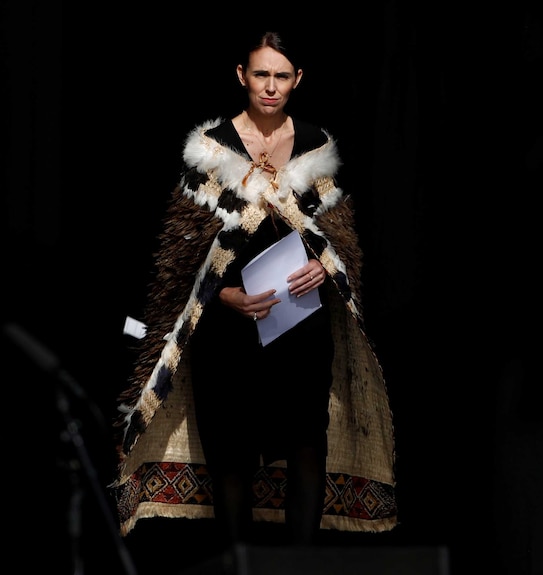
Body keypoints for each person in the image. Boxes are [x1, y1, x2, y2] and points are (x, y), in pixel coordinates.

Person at [110, 30, 397, 551]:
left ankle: (301, 569)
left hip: (300, 326)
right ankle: (239, 567)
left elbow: (344, 242)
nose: (270, 86)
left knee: (307, 445)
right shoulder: (210, 152)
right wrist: (223, 298)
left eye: (281, 76)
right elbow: (180, 260)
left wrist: (323, 265)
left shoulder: (316, 146)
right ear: (242, 75)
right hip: (228, 334)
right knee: (232, 454)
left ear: (298, 80)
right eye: (261, 74)